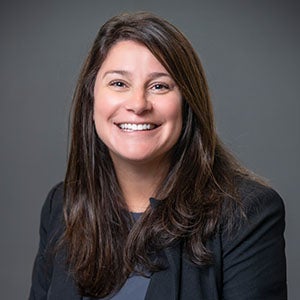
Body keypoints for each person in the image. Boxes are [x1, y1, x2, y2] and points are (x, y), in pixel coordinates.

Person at [29, 12, 287, 300]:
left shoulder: (247, 215)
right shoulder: (63, 206)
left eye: (159, 86)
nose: (138, 104)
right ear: (91, 99)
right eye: (118, 83)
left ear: (188, 103)